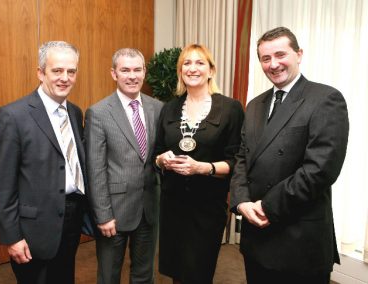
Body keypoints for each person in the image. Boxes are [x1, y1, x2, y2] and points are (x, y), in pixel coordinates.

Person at [229, 26, 349, 284]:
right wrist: (241, 202)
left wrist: (266, 206)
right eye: (265, 58)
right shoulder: (254, 105)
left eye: (280, 55)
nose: (273, 64)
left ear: (298, 54)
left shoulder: (325, 98)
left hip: (298, 238)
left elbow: (320, 170)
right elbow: (242, 158)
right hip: (256, 234)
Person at [0, 41, 87, 284]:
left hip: (71, 218)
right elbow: (3, 184)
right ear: (40, 72)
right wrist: (12, 237)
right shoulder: (13, 116)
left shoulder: (75, 113)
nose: (65, 78)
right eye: (57, 71)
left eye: (71, 71)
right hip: (33, 229)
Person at [154, 44, 244, 284]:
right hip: (172, 206)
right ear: (180, 71)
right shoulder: (169, 108)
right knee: (177, 273)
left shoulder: (230, 108)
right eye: (186, 63)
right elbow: (157, 152)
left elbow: (237, 161)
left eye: (199, 63)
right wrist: (162, 160)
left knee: (198, 273)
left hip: (207, 209)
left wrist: (203, 168)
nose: (192, 68)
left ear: (211, 70)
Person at [85, 48, 163, 284]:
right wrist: (103, 215)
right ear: (114, 73)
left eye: (137, 69)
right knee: (109, 276)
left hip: (149, 209)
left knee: (144, 274)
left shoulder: (158, 108)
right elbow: (95, 169)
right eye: (125, 70)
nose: (132, 76)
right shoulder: (98, 113)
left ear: (144, 72)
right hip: (114, 213)